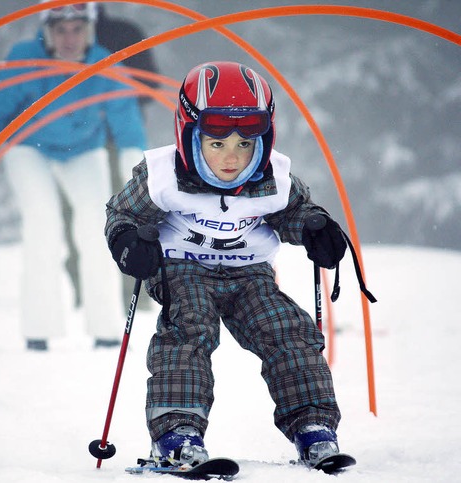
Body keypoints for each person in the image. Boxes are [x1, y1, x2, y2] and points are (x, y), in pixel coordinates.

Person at [104, 61, 355, 469]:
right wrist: (128, 240)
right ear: (189, 135)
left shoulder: (273, 178)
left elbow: (293, 212)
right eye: (217, 144)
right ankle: (177, 434)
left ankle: (314, 428)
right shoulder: (163, 175)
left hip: (250, 273)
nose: (232, 158)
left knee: (288, 330)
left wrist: (313, 228)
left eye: (245, 144)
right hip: (182, 268)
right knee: (191, 327)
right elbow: (123, 213)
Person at [0, 1, 147, 351]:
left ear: (89, 30)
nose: (69, 38)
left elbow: (129, 132)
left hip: (82, 148)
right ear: (47, 31)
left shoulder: (105, 65)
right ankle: (39, 329)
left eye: (77, 29)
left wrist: (139, 187)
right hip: (27, 147)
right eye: (60, 30)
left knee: (100, 228)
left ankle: (106, 329)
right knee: (43, 223)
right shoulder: (25, 60)